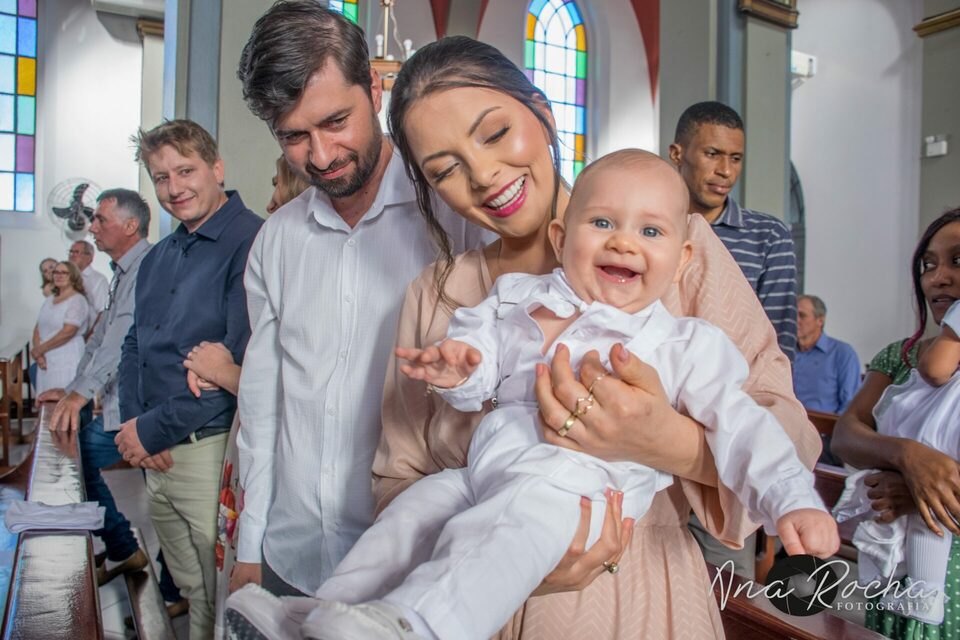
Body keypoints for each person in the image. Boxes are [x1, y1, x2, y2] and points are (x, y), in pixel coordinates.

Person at [234, 36, 818, 639]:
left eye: (495, 133)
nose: (484, 176)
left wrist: (663, 441)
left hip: (628, 600)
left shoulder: (667, 248)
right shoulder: (439, 293)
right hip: (455, 593)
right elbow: (396, 474)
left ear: (541, 112)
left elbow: (788, 436)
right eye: (445, 170)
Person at [231, 1, 487, 599]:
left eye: (335, 122)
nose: (321, 156)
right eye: (294, 137)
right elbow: (264, 402)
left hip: (414, 559)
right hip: (292, 553)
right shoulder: (277, 239)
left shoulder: (455, 218)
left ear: (373, 88)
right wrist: (250, 542)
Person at [116, 119, 263, 640]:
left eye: (186, 171)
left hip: (209, 448)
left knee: (222, 590)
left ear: (216, 168)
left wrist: (151, 430)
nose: (174, 188)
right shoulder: (159, 256)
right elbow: (135, 344)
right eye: (161, 177)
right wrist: (135, 425)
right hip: (155, 450)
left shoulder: (252, 241)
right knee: (191, 586)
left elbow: (242, 365)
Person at [187, 157, 312, 640]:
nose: (270, 198)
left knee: (258, 594)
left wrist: (221, 370)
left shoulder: (285, 249)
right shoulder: (275, 247)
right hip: (252, 443)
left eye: (278, 182)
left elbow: (289, 387)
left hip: (279, 456)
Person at [832, 208, 960, 637]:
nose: (938, 278)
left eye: (958, 261)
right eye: (928, 265)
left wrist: (920, 494)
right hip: (898, 579)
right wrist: (909, 457)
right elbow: (847, 434)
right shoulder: (901, 355)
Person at [36, 189, 157, 588]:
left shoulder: (146, 267)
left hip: (148, 402)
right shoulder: (123, 270)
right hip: (126, 400)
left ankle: (129, 549)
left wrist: (81, 393)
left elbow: (121, 337)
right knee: (84, 452)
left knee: (89, 453)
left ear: (130, 226)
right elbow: (101, 335)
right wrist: (73, 388)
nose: (93, 227)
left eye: (101, 220)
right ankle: (124, 547)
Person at [668, 101, 798, 360]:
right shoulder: (650, 229)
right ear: (677, 154)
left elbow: (778, 348)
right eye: (712, 154)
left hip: (738, 381)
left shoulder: (768, 236)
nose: (726, 171)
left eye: (735, 158)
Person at [793, 294, 861, 414]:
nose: (795, 320)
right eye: (793, 315)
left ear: (820, 320)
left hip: (823, 424)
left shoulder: (843, 353)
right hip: (781, 422)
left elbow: (850, 405)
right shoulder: (784, 351)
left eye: (802, 315)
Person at [32, 261, 89, 394]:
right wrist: (39, 355)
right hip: (45, 359)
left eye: (64, 273)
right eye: (56, 272)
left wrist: (40, 350)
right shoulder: (49, 299)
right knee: (45, 398)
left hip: (67, 357)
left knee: (62, 398)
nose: (59, 275)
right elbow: (38, 328)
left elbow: (68, 332)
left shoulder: (77, 300)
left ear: (73, 276)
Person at [69, 239, 109, 330]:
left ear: (89, 257)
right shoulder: (67, 279)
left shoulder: (98, 280)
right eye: (71, 252)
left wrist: (91, 335)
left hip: (88, 334)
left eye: (76, 252)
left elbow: (103, 312)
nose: (72, 255)